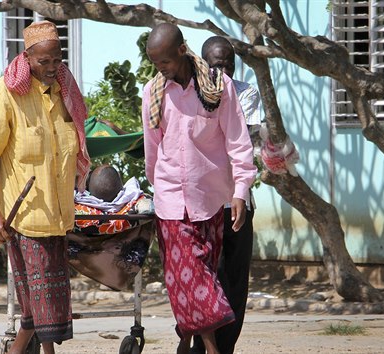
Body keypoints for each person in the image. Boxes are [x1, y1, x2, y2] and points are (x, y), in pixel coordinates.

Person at [0, 20, 90, 354]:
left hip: (57, 217)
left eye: (57, 59)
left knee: (34, 310)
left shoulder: (65, 91)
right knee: (43, 311)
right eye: (44, 61)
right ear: (26, 58)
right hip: (24, 218)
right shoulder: (5, 93)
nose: (52, 67)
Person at [141, 23, 257, 354]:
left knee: (199, 277)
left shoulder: (219, 88)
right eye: (154, 62)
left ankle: (187, 337)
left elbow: (238, 140)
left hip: (211, 201)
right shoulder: (154, 92)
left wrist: (241, 190)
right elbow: (153, 149)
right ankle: (211, 348)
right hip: (171, 203)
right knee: (192, 276)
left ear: (181, 50)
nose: (159, 68)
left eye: (163, 61)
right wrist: (160, 188)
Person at [189, 36, 262, 354]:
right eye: (217, 65)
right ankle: (200, 345)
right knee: (206, 279)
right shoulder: (188, 92)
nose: (225, 71)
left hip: (237, 201)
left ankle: (225, 347)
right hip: (202, 203)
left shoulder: (246, 93)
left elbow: (240, 141)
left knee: (234, 280)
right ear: (204, 64)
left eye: (229, 64)